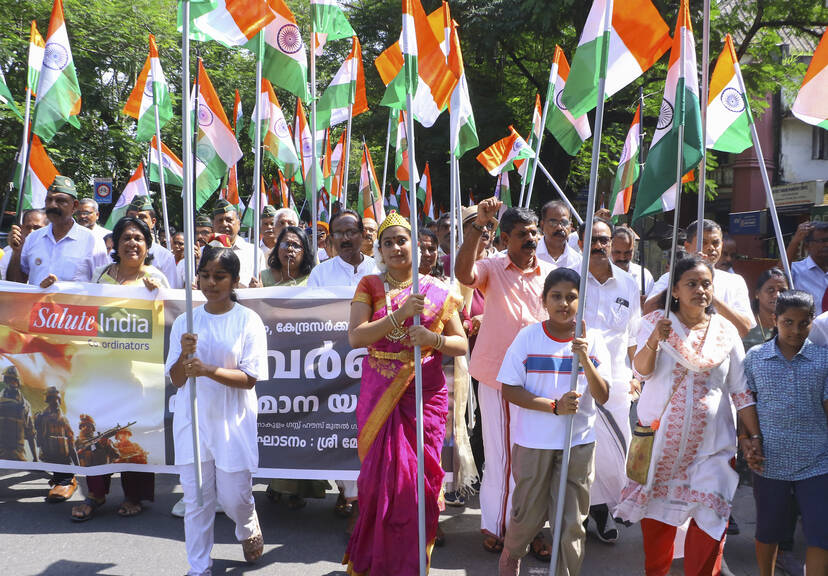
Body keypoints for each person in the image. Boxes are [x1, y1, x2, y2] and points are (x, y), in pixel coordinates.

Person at [615, 255, 763, 576]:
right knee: (658, 524)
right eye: (692, 284)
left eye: (706, 284)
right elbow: (641, 371)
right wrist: (655, 339)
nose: (700, 290)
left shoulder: (726, 331)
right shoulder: (656, 323)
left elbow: (740, 391)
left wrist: (752, 437)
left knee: (711, 522)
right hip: (661, 447)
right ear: (675, 290)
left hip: (714, 449)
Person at [343, 211, 468, 575]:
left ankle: (410, 564)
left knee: (416, 483)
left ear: (415, 245)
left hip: (425, 393)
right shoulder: (369, 284)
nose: (396, 248)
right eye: (388, 243)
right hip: (381, 388)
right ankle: (376, 561)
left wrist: (432, 339)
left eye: (402, 240)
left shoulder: (438, 290)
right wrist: (398, 316)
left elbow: (460, 344)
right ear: (379, 250)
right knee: (379, 483)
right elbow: (356, 337)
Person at [455, 198, 555, 556]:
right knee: (501, 456)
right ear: (506, 239)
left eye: (533, 233)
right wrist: (477, 227)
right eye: (522, 234)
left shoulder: (550, 273)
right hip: (498, 378)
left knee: (537, 458)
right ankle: (499, 527)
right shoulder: (492, 267)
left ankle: (532, 528)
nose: (530, 239)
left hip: (540, 380)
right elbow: (463, 274)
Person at [497, 268, 612, 576]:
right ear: (544, 300)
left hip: (578, 443)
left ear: (582, 301)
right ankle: (511, 556)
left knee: (572, 522)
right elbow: (509, 389)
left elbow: (602, 395)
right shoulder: (528, 337)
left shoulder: (593, 340)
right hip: (534, 442)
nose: (564, 303)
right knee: (527, 516)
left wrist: (584, 359)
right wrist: (554, 407)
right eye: (556, 296)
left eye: (572, 297)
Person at [167, 246, 268, 575]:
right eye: (205, 275)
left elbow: (250, 378)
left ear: (234, 281)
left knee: (234, 497)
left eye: (220, 276)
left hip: (232, 420)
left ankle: (247, 524)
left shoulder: (248, 321)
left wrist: (207, 369)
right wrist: (184, 357)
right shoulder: (185, 321)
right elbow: (176, 380)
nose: (211, 283)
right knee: (197, 500)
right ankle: (199, 567)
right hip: (193, 420)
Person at [70, 216, 167, 522]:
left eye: (139, 238)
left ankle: (134, 495)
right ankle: (95, 494)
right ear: (115, 243)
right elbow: (82, 311)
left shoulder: (156, 278)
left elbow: (170, 320)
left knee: (130, 432)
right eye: (126, 237)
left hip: (137, 376)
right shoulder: (101, 275)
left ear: (148, 245)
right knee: (95, 430)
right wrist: (49, 289)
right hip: (99, 371)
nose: (132, 243)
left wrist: (158, 296)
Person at [743, 290, 828, 576]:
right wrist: (746, 441)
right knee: (769, 532)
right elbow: (745, 405)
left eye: (803, 323)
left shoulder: (823, 360)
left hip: (817, 462)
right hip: (770, 462)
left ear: (812, 322)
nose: (795, 330)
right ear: (774, 320)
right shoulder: (756, 358)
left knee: (821, 534)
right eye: (787, 322)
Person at [578, 218, 641, 543]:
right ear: (581, 244)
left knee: (615, 451)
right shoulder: (570, 278)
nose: (599, 245)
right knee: (582, 447)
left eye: (604, 240)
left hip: (616, 380)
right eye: (593, 240)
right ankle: (591, 511)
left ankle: (608, 507)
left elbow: (633, 335)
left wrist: (637, 375)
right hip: (575, 377)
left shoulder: (627, 283)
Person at [644, 219, 754, 337]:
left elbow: (744, 329)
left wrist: (711, 298)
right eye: (704, 243)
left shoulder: (735, 281)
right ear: (687, 246)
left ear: (722, 245)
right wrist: (677, 282)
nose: (711, 248)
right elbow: (648, 311)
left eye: (715, 243)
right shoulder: (669, 278)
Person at [6, 176, 109, 287]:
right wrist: (16, 253)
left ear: (75, 206)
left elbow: (102, 285)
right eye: (49, 200)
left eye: (60, 201)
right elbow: (16, 285)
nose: (52, 205)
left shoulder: (93, 241)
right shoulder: (33, 238)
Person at [307, 210, 379, 288]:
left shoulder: (378, 270)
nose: (345, 238)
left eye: (351, 232)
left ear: (362, 234)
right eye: (338, 233)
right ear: (332, 238)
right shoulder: (320, 273)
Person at [34, 386, 80, 501]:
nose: (55, 402)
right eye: (52, 399)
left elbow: (70, 439)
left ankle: (67, 480)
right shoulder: (42, 417)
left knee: (63, 456)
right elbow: (39, 438)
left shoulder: (63, 419)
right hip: (49, 453)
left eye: (57, 399)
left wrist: (77, 463)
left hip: (63, 455)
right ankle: (60, 479)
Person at [125, 195, 180, 288]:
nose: (136, 221)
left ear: (153, 222)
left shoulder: (165, 257)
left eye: (142, 217)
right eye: (131, 216)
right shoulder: (115, 251)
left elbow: (170, 291)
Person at [210, 199, 265, 288]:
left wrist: (259, 288)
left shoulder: (254, 252)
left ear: (238, 224)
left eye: (229, 220)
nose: (224, 224)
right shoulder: (205, 252)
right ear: (213, 225)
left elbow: (263, 285)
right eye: (220, 220)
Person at [743, 268, 788, 351]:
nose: (777, 295)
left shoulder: (792, 325)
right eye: (771, 290)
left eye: (782, 291)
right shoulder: (745, 323)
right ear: (757, 294)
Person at [790, 221, 828, 315]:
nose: (827, 244)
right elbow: (778, 276)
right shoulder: (796, 270)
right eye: (822, 241)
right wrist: (795, 242)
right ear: (807, 246)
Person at [0, 366, 37, 461]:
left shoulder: (25, 405)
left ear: (17, 381)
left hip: (18, 455)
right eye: (9, 379)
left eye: (13, 380)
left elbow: (30, 433)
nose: (11, 382)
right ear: (5, 380)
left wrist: (35, 458)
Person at [0, 209, 45, 280]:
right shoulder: (9, 254)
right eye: (28, 227)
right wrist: (16, 253)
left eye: (37, 228)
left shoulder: (56, 250)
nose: (31, 231)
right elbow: (12, 283)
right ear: (22, 228)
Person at [536, 200, 582, 270]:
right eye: (553, 222)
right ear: (542, 225)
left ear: (570, 226)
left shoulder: (578, 261)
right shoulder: (530, 255)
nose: (559, 227)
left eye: (564, 223)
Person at [611, 225, 654, 300]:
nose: (622, 257)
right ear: (609, 248)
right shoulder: (599, 274)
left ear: (634, 250)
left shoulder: (644, 276)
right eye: (617, 252)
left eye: (627, 252)